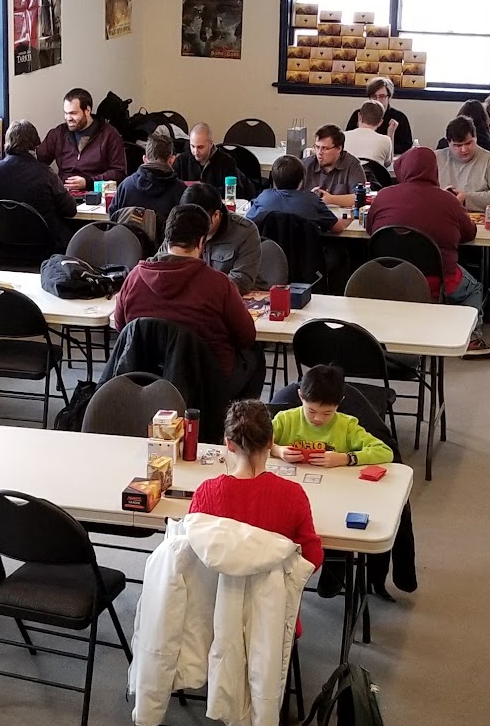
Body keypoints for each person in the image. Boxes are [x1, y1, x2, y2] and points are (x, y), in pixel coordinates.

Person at [112, 201, 262, 398]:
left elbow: (122, 327)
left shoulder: (134, 278)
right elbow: (246, 336)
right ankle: (235, 416)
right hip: (206, 382)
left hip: (145, 378)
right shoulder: (219, 284)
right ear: (201, 242)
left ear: (166, 239)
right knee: (255, 353)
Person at [368, 147, 490, 358]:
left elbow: (371, 229)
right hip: (436, 280)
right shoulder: (448, 201)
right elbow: (469, 233)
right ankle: (471, 339)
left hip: (389, 278)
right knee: (474, 288)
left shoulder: (383, 196)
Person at [188, 400, 323, 573]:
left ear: (229, 444)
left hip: (214, 589)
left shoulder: (206, 492)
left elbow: (192, 549)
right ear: (271, 441)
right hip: (273, 589)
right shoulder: (293, 495)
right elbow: (313, 559)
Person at [274, 364, 394, 467]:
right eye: (311, 411)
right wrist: (277, 450)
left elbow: (385, 452)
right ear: (301, 396)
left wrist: (346, 458)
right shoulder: (285, 420)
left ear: (340, 402)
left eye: (327, 413)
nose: (318, 418)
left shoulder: (347, 426)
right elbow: (261, 441)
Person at [0, 120, 75, 232]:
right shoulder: (46, 174)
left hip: (0, 239)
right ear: (35, 145)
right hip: (43, 240)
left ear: (6, 142)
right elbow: (70, 210)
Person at [35, 87, 127, 193]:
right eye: (66, 113)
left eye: (73, 113)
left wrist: (88, 183)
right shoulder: (59, 133)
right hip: (63, 195)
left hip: (96, 195)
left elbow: (119, 174)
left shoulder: (109, 135)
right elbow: (37, 159)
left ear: (87, 111)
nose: (68, 118)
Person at [180, 180, 265, 291]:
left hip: (224, 297)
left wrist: (198, 288)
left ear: (216, 215)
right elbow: (162, 262)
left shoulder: (245, 232)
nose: (193, 227)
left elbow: (241, 281)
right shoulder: (180, 224)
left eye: (199, 222)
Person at [112, 127, 183, 242]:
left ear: (144, 159)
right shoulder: (180, 191)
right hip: (164, 252)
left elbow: (112, 220)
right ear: (171, 160)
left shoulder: (125, 186)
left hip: (127, 249)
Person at [436, 116, 490, 216]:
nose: (464, 150)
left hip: (478, 219)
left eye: (468, 143)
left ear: (476, 138)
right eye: (458, 145)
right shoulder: (435, 158)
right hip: (441, 216)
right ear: (448, 142)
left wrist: (467, 198)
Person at [248, 155, 338, 231]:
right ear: (301, 181)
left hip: (268, 246)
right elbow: (337, 227)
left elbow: (249, 222)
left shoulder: (264, 197)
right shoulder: (312, 201)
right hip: (304, 247)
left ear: (273, 179)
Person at [302, 125, 367, 210]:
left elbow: (360, 197)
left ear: (339, 148)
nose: (319, 152)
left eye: (325, 148)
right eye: (317, 147)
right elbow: (291, 195)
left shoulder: (352, 165)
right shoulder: (305, 165)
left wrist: (331, 199)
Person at [344, 76, 413, 156]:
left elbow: (407, 148)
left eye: (382, 96)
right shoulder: (359, 114)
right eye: (374, 96)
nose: (378, 100)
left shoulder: (399, 118)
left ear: (389, 97)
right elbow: (347, 141)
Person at [173, 123, 236, 191]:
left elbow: (234, 191)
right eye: (192, 146)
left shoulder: (227, 163)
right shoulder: (181, 161)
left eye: (200, 147)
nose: (196, 152)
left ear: (211, 144)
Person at [343, 101, 395, 172]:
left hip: (349, 178)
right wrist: (391, 133)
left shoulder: (343, 137)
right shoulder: (386, 140)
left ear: (359, 116)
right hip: (373, 178)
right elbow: (387, 163)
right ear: (380, 122)